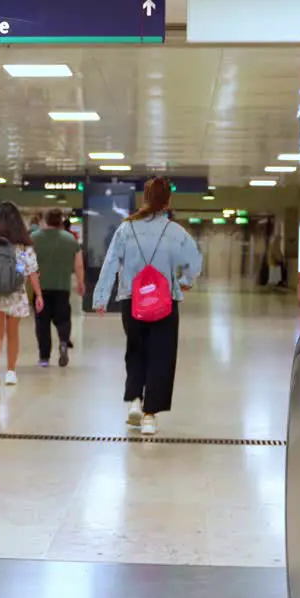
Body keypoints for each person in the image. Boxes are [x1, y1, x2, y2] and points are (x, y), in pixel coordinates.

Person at [93, 177, 202, 436]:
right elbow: (194, 261)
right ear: (167, 201)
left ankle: (135, 401)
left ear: (145, 197)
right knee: (161, 356)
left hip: (132, 300)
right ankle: (150, 416)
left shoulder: (126, 228)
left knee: (136, 351)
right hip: (165, 301)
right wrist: (185, 281)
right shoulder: (176, 232)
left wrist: (100, 297)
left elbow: (110, 263)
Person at [0, 202, 42, 387]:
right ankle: (11, 373)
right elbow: (32, 270)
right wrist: (39, 295)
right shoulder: (23, 244)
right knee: (13, 335)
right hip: (15, 293)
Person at [31, 208, 84, 368]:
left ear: (45, 220)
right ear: (61, 221)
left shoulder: (34, 238)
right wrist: (81, 282)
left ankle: (44, 357)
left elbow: (26, 263)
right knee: (63, 319)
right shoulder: (70, 239)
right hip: (62, 287)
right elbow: (79, 265)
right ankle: (63, 341)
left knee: (42, 323)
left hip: (40, 289)